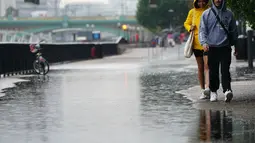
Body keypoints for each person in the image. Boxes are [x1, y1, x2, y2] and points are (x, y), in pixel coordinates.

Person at [199, 0, 238, 102]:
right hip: (212, 47)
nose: (218, 0)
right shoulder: (206, 14)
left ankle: (227, 90)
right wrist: (204, 43)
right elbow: (202, 30)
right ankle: (213, 91)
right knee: (213, 71)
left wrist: (236, 45)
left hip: (225, 46)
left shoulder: (229, 14)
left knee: (225, 70)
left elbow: (233, 30)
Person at [184, 0, 210, 99]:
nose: (201, 3)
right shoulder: (192, 12)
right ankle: (203, 90)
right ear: (196, 2)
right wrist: (190, 27)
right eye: (199, 2)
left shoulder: (209, 10)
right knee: (200, 68)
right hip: (196, 44)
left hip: (207, 44)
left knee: (207, 67)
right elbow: (186, 23)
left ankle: (209, 88)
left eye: (204, 1)